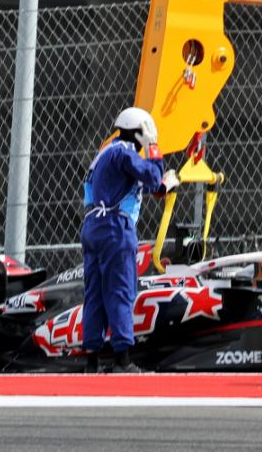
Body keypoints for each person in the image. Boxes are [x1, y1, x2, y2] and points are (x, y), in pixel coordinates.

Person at [80, 107, 177, 373]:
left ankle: (92, 362)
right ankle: (122, 360)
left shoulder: (105, 154)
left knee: (95, 294)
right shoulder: (124, 152)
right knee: (121, 290)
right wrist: (155, 152)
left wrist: (161, 186)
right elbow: (151, 175)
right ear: (141, 133)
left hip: (92, 227)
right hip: (115, 228)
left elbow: (141, 184)